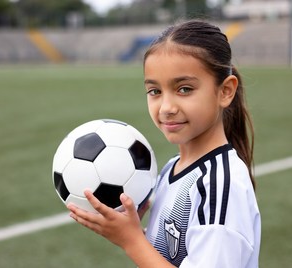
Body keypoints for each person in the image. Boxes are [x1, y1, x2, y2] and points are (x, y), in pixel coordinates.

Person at [67, 19, 261, 268]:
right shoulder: (171, 169)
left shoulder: (219, 184)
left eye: (184, 89)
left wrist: (132, 241)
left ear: (225, 91)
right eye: (155, 91)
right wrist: (136, 233)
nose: (166, 108)